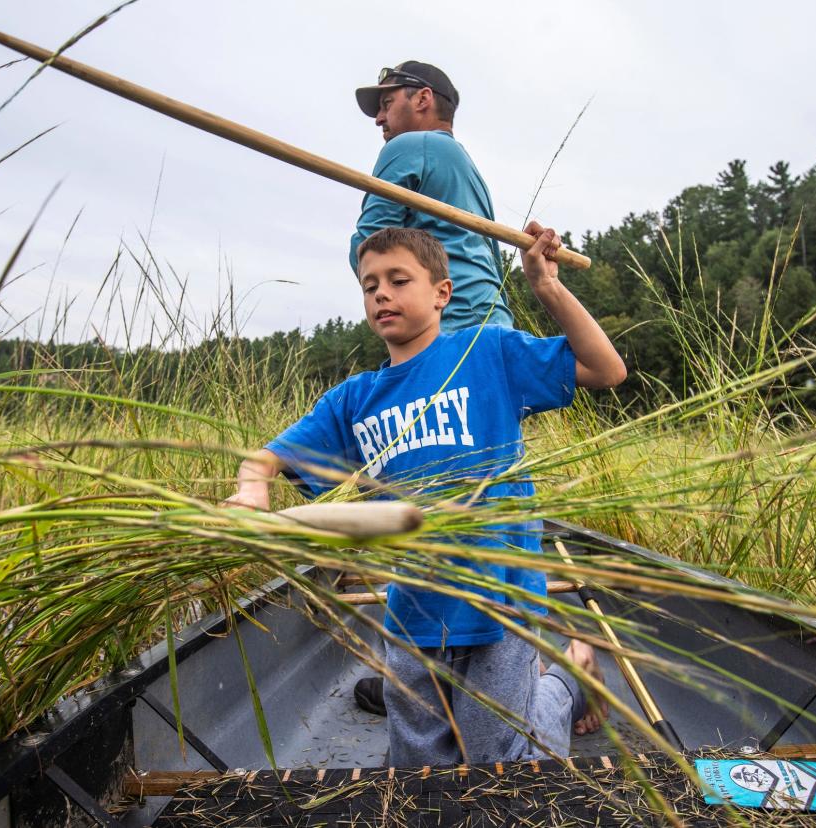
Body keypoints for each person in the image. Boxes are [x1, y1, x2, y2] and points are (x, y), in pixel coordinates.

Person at [227, 224, 626, 765]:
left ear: (442, 294)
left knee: (500, 765)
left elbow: (607, 370)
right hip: (412, 609)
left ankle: (569, 676)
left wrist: (547, 287)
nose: (381, 294)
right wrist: (252, 491)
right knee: (419, 775)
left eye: (397, 280)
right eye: (369, 286)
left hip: (499, 599)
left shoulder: (486, 353)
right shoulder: (354, 401)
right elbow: (265, 459)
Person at [351, 62, 513, 332]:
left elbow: (367, 250)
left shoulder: (409, 145)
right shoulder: (464, 167)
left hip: (448, 326)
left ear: (423, 99)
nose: (379, 118)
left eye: (387, 103)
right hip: (495, 323)